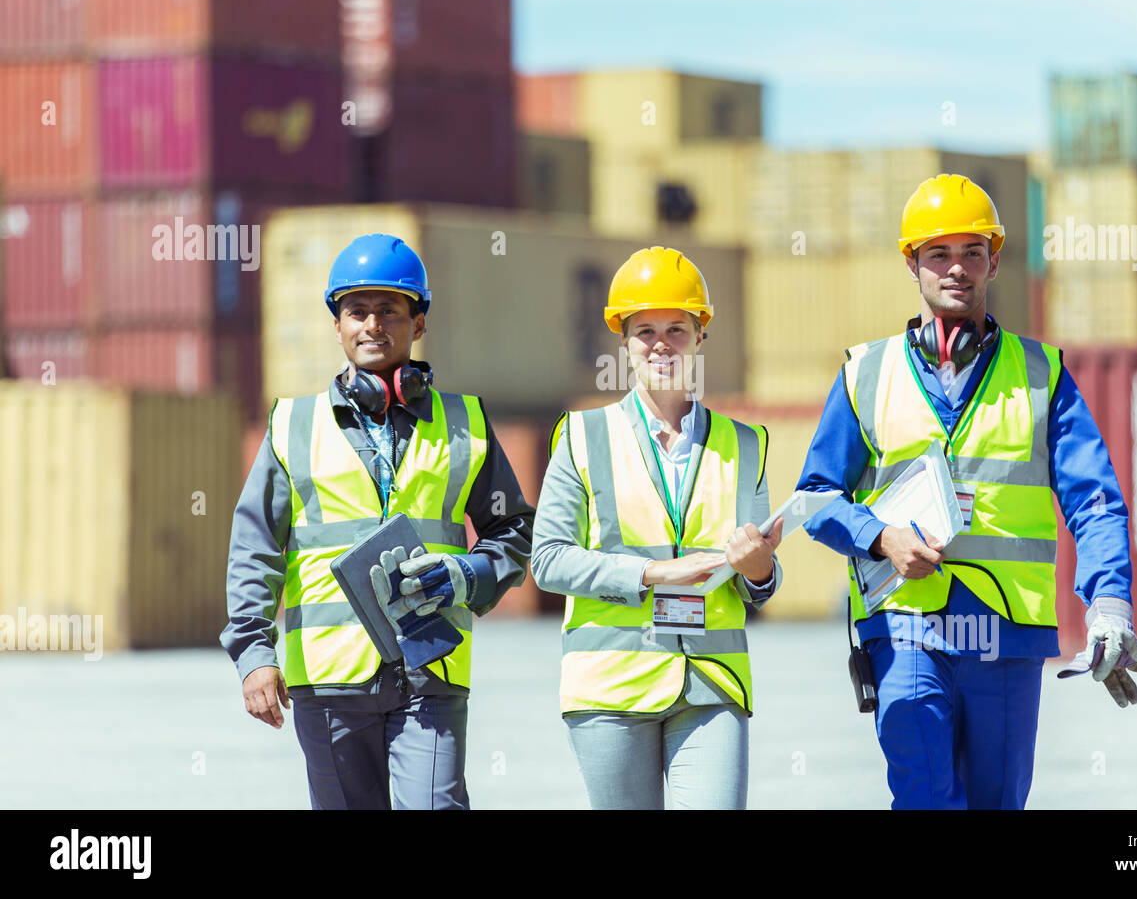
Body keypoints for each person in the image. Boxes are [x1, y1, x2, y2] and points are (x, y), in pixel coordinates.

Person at [797, 174, 1137, 810]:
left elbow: (1094, 501)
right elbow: (816, 497)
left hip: (1006, 636)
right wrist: (880, 537)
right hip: (906, 626)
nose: (956, 268)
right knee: (926, 797)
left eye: (971, 252)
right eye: (938, 253)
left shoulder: (1042, 375)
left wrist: (1110, 606)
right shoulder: (866, 373)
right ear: (912, 263)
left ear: (995, 259)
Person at [220, 233, 534, 809]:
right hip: (329, 679)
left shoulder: (464, 421)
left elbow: (513, 533)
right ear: (336, 325)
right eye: (356, 310)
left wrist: (468, 574)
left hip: (431, 670)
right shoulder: (292, 425)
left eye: (390, 309)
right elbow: (255, 548)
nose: (372, 324)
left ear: (418, 324)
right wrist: (255, 655)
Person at [530, 246, 784, 810]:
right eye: (645, 330)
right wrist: (652, 572)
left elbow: (758, 584)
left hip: (712, 682)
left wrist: (761, 571)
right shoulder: (581, 436)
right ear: (623, 341)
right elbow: (546, 560)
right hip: (610, 686)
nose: (661, 344)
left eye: (677, 328)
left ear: (701, 336)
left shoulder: (745, 444)